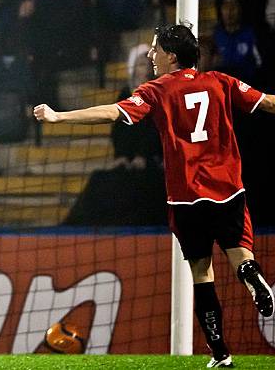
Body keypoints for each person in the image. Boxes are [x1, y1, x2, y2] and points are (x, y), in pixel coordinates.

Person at [34, 23, 275, 368]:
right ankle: (250, 274)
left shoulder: (157, 89)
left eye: (154, 49)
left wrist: (59, 116)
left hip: (186, 195)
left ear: (171, 56)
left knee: (201, 272)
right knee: (239, 253)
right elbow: (267, 103)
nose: (150, 55)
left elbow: (113, 112)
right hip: (227, 189)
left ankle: (220, 353)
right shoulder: (222, 82)